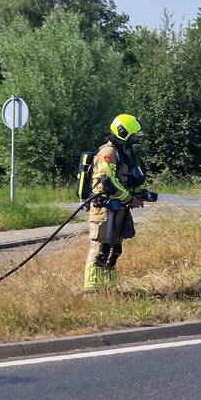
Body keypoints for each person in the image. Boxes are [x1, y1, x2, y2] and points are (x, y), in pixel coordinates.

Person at [83, 114, 154, 290]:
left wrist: (141, 194)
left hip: (119, 208)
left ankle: (110, 287)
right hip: (105, 209)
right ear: (123, 133)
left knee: (115, 250)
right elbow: (108, 182)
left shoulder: (123, 152)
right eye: (133, 136)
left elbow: (128, 180)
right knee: (101, 248)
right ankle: (92, 289)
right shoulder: (108, 152)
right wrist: (130, 198)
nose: (135, 139)